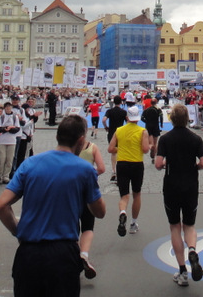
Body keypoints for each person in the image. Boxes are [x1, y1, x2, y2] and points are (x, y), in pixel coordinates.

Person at [0, 115, 106, 297]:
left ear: (57, 137)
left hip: (28, 252)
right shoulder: (84, 169)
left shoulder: (29, 164)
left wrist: (17, 231)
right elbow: (99, 212)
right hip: (62, 253)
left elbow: (1, 206)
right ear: (80, 140)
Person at [155, 103, 203, 287]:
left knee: (175, 227)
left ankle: (182, 270)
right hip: (191, 185)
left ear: (171, 118)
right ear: (187, 119)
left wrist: (165, 164)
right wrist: (195, 166)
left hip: (171, 186)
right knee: (190, 225)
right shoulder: (196, 139)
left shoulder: (165, 139)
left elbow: (158, 163)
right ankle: (192, 249)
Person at [107, 105, 149, 237]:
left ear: (127, 117)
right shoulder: (142, 131)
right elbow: (145, 149)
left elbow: (110, 148)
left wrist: (121, 149)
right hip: (137, 164)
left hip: (122, 164)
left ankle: (122, 213)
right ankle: (133, 223)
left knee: (124, 195)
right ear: (137, 118)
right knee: (137, 194)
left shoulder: (119, 130)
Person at [78, 132, 106, 279]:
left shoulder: (70, 149)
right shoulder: (92, 147)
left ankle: (72, 255)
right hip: (88, 191)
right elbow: (101, 168)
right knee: (88, 227)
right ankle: (84, 254)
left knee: (72, 225)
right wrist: (91, 174)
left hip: (72, 190)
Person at [102, 95, 127, 183]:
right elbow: (128, 122)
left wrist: (106, 127)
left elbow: (104, 120)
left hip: (111, 133)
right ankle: (120, 171)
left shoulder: (109, 111)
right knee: (120, 151)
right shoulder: (123, 112)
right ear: (121, 102)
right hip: (120, 133)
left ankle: (114, 171)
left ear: (113, 102)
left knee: (113, 153)